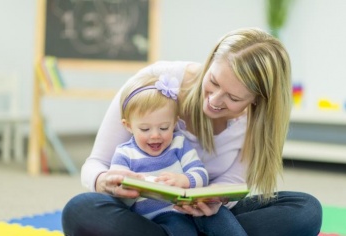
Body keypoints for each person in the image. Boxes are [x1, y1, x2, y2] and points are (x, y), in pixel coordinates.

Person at [62, 28, 322, 236]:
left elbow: (232, 186)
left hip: (214, 216)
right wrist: (102, 180)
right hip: (148, 214)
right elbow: (96, 163)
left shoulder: (257, 120)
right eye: (214, 82)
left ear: (256, 99)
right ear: (210, 62)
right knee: (80, 210)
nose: (215, 100)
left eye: (233, 97)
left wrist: (211, 201)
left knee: (306, 210)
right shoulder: (154, 83)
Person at [109, 74, 243, 235]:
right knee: (180, 228)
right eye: (145, 129)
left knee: (223, 218)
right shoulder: (124, 154)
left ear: (174, 123)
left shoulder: (178, 143)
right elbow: (116, 194)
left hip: (193, 208)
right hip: (161, 217)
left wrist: (184, 179)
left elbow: (201, 173)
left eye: (164, 128)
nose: (155, 135)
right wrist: (132, 187)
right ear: (128, 126)